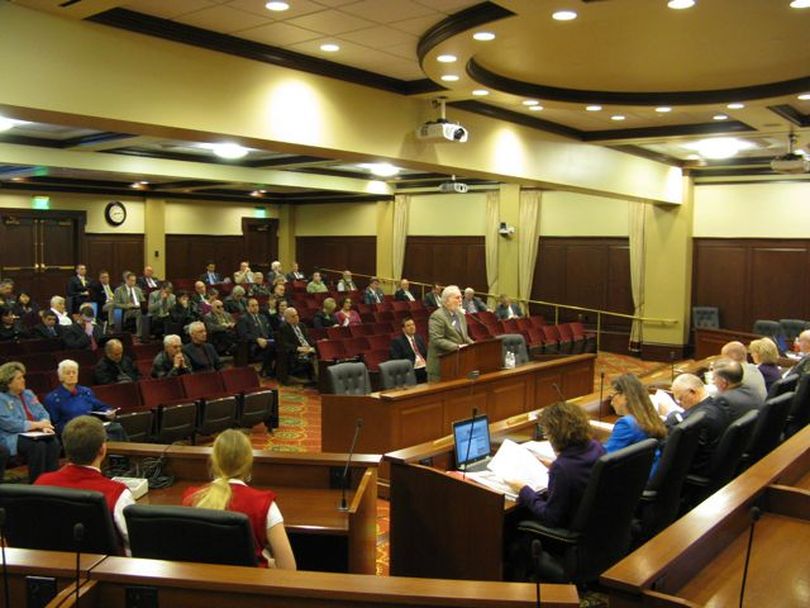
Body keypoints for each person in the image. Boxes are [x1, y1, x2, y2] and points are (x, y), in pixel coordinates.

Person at [182, 430, 296, 569]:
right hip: (250, 586)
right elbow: (288, 568)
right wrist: (266, 560)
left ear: (214, 460)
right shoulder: (264, 504)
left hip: (204, 585)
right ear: (249, 462)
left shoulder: (191, 498)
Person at [35, 415, 133, 553]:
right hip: (106, 571)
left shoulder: (41, 483)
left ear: (66, 448)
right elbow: (137, 543)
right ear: (102, 449)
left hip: (50, 567)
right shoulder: (118, 493)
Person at [507, 401, 605, 528]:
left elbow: (550, 517)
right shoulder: (596, 447)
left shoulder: (562, 468)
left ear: (556, 435)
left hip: (569, 529)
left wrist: (523, 490)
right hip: (596, 523)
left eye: (547, 434)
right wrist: (553, 465)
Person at [0, 361, 60, 482]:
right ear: (8, 382)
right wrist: (36, 425)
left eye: (23, 377)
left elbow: (42, 412)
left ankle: (51, 481)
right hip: (12, 436)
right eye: (19, 378)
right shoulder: (2, 398)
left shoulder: (28, 393)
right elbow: (8, 423)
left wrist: (45, 425)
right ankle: (37, 483)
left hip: (36, 432)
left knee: (53, 442)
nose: (23, 380)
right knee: (38, 446)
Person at [43, 359, 127, 440]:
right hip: (73, 431)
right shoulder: (52, 398)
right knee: (99, 437)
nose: (71, 375)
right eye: (68, 373)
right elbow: (56, 424)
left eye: (74, 372)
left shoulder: (86, 391)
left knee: (116, 428)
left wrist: (108, 411)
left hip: (91, 426)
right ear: (60, 377)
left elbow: (101, 406)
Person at [667, 373, 730, 476]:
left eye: (680, 399)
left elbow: (678, 450)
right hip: (716, 466)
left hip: (698, 471)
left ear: (692, 392)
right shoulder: (719, 404)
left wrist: (671, 418)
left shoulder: (698, 419)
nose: (679, 404)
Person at [605, 374, 666, 477]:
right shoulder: (650, 417)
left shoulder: (626, 424)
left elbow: (605, 456)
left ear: (625, 396)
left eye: (612, 396)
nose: (611, 403)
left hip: (636, 482)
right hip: (651, 474)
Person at [426, 285, 474, 382]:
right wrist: (458, 347)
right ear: (447, 300)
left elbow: (464, 336)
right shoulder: (437, 316)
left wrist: (474, 345)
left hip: (457, 365)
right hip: (440, 367)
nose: (461, 300)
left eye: (461, 297)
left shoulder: (460, 315)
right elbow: (437, 340)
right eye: (457, 297)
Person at [236, 298, 275, 378]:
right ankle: (267, 370)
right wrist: (257, 339)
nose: (255, 307)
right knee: (271, 347)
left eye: (257, 305)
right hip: (253, 344)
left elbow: (270, 331)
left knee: (280, 345)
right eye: (252, 306)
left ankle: (273, 370)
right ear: (247, 308)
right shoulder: (243, 319)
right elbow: (244, 335)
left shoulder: (263, 317)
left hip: (267, 341)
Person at [276, 307, 316, 384]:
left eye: (297, 315)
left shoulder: (302, 325)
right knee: (313, 357)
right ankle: (315, 379)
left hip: (308, 349)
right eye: (293, 316)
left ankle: (319, 378)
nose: (296, 318)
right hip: (297, 352)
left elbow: (308, 339)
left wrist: (314, 345)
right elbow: (284, 344)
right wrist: (298, 348)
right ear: (287, 319)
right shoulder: (283, 328)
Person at [389, 317, 428, 383]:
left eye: (413, 324)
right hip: (412, 369)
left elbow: (425, 353)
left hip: (424, 366)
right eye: (408, 325)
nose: (412, 327)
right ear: (403, 329)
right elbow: (396, 358)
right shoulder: (397, 341)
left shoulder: (419, 338)